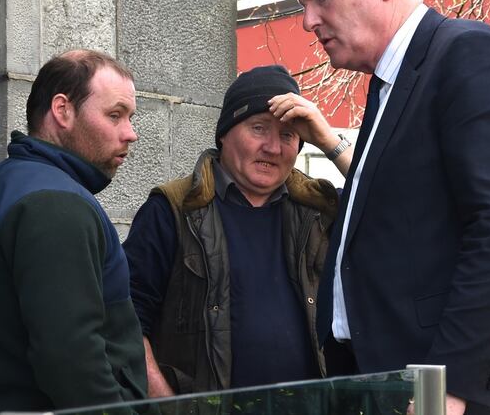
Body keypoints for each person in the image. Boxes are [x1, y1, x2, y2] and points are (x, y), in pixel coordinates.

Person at [266, 0, 490, 414]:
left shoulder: (468, 54)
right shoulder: (392, 83)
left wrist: (451, 386)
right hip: (399, 382)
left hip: (451, 395)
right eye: (304, 4)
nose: (309, 20)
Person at [123, 65, 339, 397]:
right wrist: (167, 405)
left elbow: (399, 213)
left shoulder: (321, 210)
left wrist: (329, 141)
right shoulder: (174, 210)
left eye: (287, 135)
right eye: (259, 128)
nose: (273, 147)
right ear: (224, 133)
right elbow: (126, 320)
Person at [0, 49, 148, 414]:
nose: (130, 134)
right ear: (62, 110)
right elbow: (71, 358)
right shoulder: (55, 203)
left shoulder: (13, 180)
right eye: (115, 115)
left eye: (130, 117)